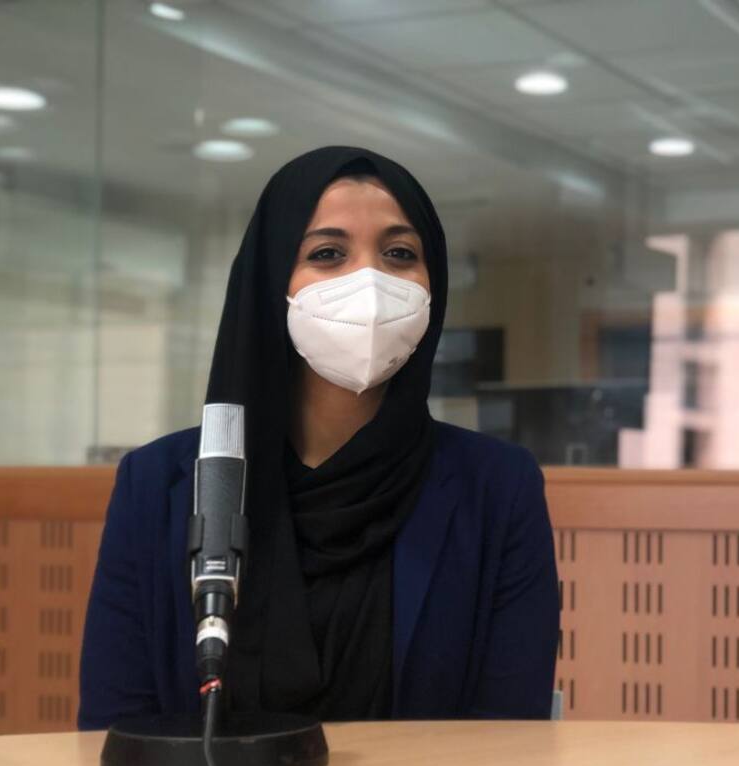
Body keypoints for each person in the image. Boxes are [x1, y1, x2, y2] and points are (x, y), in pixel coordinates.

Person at [79, 147, 560, 727]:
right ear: (270, 280)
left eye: (400, 254)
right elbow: (114, 728)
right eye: (328, 253)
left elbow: (510, 733)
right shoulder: (156, 485)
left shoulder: (498, 487)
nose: (370, 283)